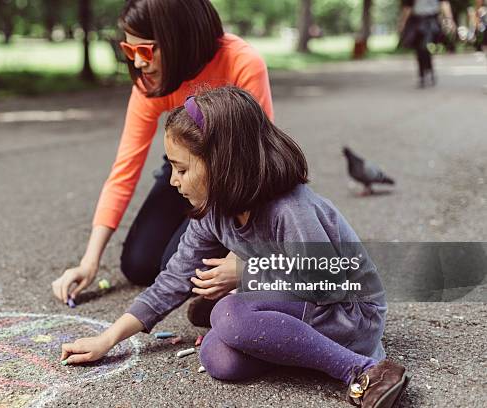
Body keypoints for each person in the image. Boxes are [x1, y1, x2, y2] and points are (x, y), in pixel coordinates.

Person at [59, 87, 409, 408]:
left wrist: (245, 273)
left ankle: (364, 370)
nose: (172, 180)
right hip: (303, 305)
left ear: (223, 165)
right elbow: (173, 279)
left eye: (181, 168)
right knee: (218, 358)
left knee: (227, 314)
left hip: (347, 311)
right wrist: (108, 339)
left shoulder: (290, 209)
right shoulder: (214, 210)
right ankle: (295, 342)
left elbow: (325, 283)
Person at [51, 0, 273, 311]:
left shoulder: (242, 62)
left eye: (145, 51)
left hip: (233, 177)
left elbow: (258, 163)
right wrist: (89, 262)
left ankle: (243, 258)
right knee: (139, 266)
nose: (138, 63)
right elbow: (124, 170)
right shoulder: (151, 83)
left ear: (179, 38)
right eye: (129, 52)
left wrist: (243, 256)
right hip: (183, 168)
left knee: (179, 265)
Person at [398, 0, 457, 88]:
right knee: (419, 50)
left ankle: (428, 71)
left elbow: (444, 3)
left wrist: (449, 19)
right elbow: (408, 8)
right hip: (416, 22)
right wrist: (402, 23)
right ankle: (422, 74)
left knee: (425, 47)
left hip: (431, 21)